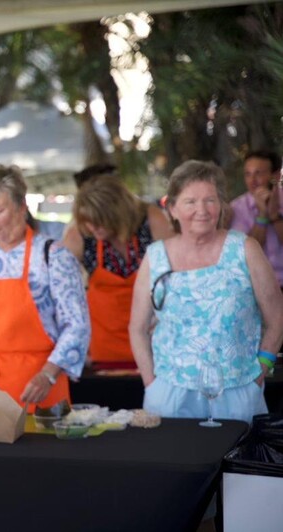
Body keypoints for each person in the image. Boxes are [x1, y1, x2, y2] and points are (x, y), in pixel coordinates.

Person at [129, 160, 283, 424]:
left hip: (238, 389)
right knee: (173, 464)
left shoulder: (244, 249)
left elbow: (277, 317)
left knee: (237, 463)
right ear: (172, 208)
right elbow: (137, 327)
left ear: (221, 206)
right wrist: (151, 382)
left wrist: (260, 373)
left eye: (210, 200)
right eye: (190, 202)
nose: (202, 210)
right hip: (170, 392)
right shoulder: (156, 257)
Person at [0, 163, 90, 407]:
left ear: (21, 207)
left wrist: (48, 375)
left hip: (34, 389)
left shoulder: (53, 256)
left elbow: (77, 326)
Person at [64, 174, 173, 367]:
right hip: (104, 348)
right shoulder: (79, 235)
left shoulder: (151, 220)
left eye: (99, 220)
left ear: (117, 213)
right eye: (88, 221)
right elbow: (63, 294)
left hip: (155, 345)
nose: (92, 227)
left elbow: (177, 273)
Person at [229, 150, 283, 289]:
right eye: (248, 174)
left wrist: (274, 216)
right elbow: (243, 254)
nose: (252, 181)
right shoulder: (236, 208)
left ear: (275, 176)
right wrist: (262, 216)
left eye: (258, 173)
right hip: (258, 289)